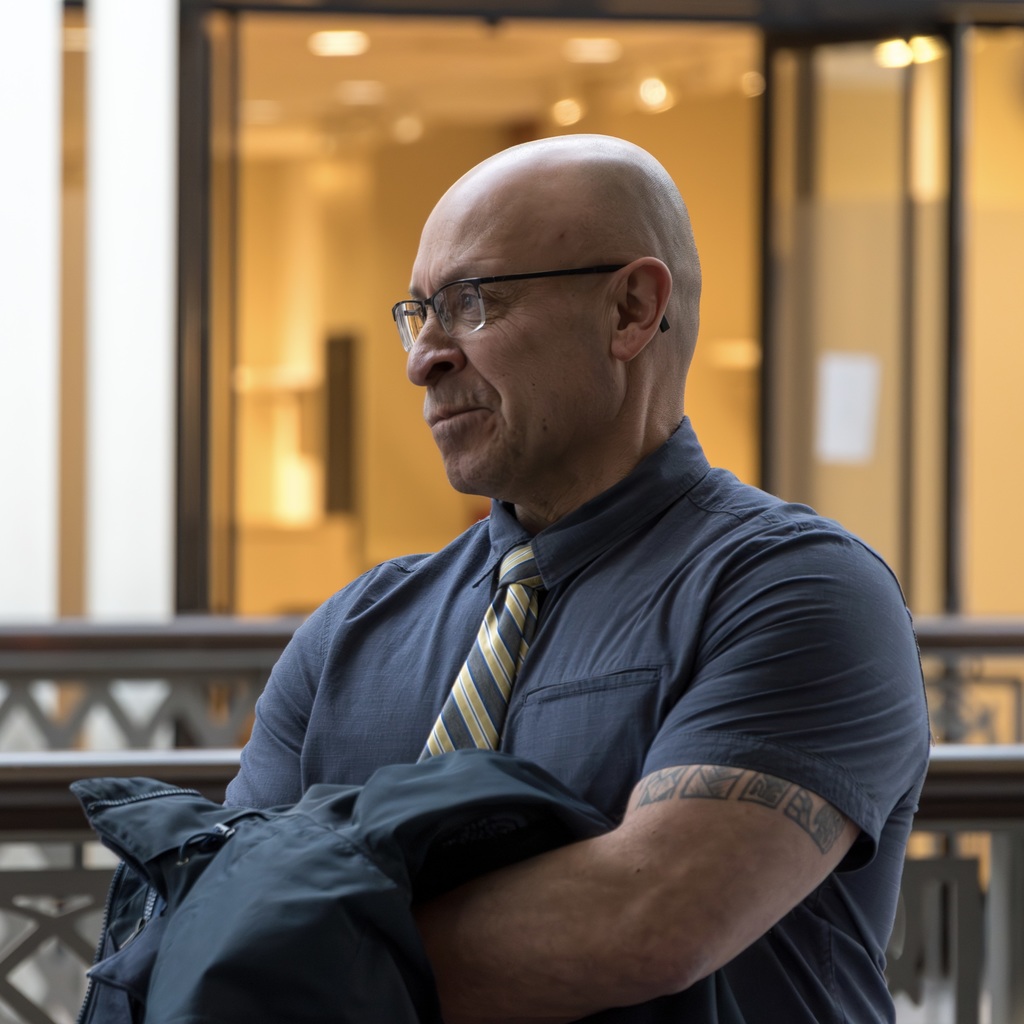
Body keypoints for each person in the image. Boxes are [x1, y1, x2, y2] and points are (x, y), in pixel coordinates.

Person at [227, 134, 930, 1023]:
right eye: (420, 313)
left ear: (632, 310)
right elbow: (225, 900)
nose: (424, 357)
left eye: (473, 302)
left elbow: (646, 920)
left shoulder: (798, 592)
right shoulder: (353, 632)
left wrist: (290, 948)